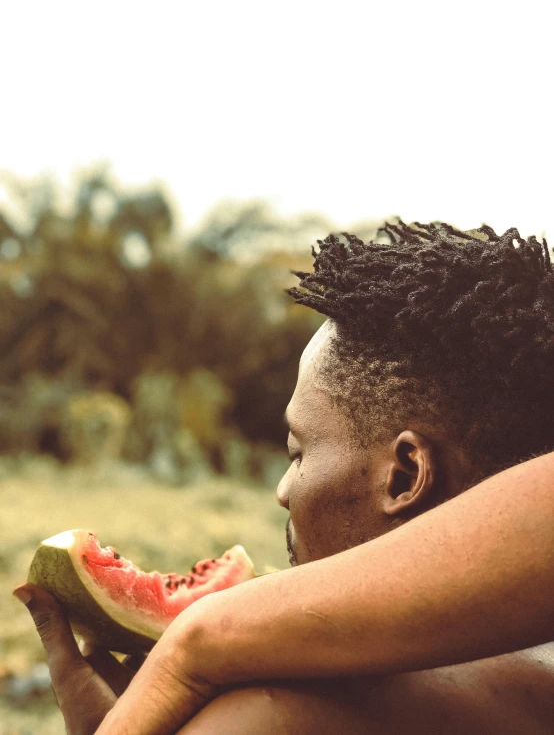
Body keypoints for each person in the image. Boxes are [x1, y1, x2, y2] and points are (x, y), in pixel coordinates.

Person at [14, 221, 554, 733]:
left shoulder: (272, 715)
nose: (282, 490)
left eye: (298, 452)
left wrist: (200, 649)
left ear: (405, 475)